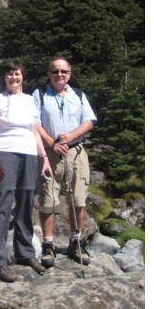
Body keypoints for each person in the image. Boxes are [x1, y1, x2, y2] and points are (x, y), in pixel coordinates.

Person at [0, 60, 53, 282]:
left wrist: (44, 158)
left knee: (26, 203)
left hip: (29, 155)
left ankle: (25, 253)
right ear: (4, 77)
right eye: (10, 74)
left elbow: (35, 132)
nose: (14, 78)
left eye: (17, 74)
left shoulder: (29, 100)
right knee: (2, 206)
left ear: (22, 76)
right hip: (5, 153)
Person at [33, 56, 98, 267]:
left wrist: (71, 135)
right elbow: (34, 123)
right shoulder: (39, 94)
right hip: (50, 153)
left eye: (63, 71)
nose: (59, 75)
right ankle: (48, 244)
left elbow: (89, 121)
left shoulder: (78, 95)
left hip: (76, 151)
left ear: (69, 74)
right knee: (47, 198)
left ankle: (76, 242)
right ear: (48, 74)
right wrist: (52, 143)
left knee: (78, 198)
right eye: (55, 71)